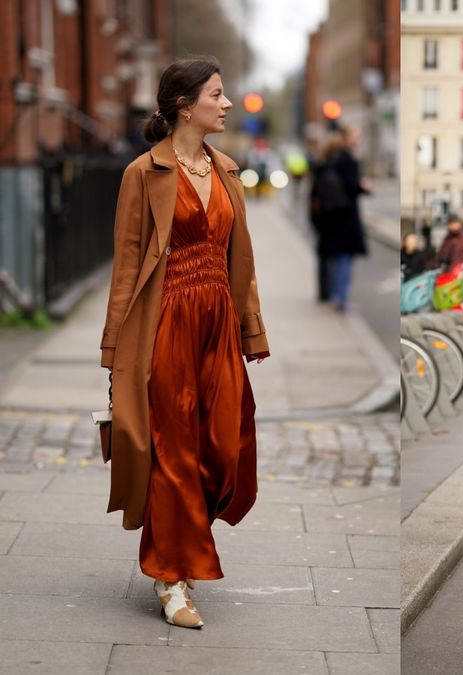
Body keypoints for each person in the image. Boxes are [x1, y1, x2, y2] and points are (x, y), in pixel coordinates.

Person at [100, 56, 270, 629]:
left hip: (217, 320)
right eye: (217, 94)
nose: (226, 103)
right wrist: (115, 351)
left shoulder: (225, 169)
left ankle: (186, 538)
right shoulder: (142, 173)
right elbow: (127, 267)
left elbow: (240, 261)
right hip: (166, 321)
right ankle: (171, 574)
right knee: (173, 449)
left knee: (225, 442)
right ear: (184, 105)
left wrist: (251, 328)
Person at [315, 126, 370, 312]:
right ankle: (340, 299)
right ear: (346, 138)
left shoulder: (333, 160)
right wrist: (363, 186)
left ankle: (336, 297)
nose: (358, 139)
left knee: (339, 258)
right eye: (356, 135)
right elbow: (352, 187)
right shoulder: (348, 161)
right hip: (346, 217)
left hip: (334, 217)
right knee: (345, 259)